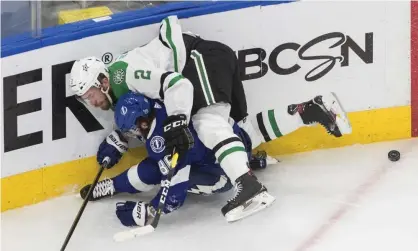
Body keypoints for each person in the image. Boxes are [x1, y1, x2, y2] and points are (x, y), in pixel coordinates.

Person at [69, 15, 352, 222]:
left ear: (102, 79)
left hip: (200, 58)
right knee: (241, 131)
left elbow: (177, 85)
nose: (91, 102)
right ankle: (310, 110)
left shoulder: (123, 74)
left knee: (206, 123)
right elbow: (148, 112)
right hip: (211, 58)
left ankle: (249, 186)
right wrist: (120, 137)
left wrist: (178, 120)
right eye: (84, 99)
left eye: (89, 93)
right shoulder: (119, 88)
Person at [81, 90, 351, 227]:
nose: (131, 135)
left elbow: (174, 190)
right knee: (247, 132)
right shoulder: (161, 107)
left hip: (215, 173)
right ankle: (304, 111)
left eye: (131, 130)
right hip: (223, 135)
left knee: (161, 170)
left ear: (141, 123)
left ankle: (243, 169)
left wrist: (150, 212)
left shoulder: (160, 140)